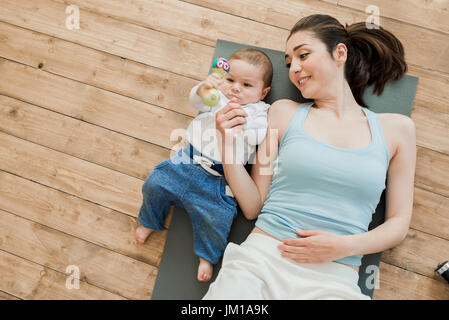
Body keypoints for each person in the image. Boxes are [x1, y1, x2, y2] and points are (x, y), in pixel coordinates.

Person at [203, 14, 416, 299]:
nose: (294, 69)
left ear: (339, 53)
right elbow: (253, 206)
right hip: (260, 263)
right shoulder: (282, 112)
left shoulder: (397, 130)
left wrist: (345, 246)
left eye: (303, 55)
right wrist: (227, 143)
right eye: (290, 63)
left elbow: (399, 223)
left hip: (335, 281)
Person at [135, 48, 273, 282]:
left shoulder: (259, 111)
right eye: (231, 80)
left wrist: (243, 122)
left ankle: (207, 255)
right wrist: (203, 88)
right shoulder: (217, 96)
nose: (236, 88)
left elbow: (259, 136)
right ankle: (150, 220)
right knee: (154, 184)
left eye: (247, 85)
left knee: (218, 218)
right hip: (186, 161)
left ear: (263, 92)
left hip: (219, 180)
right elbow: (195, 101)